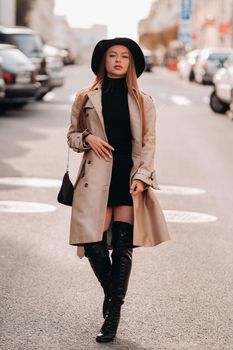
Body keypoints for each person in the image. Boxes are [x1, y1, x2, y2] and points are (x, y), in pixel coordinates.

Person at [67, 37, 171, 343]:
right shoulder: (85, 97)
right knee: (94, 243)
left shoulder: (143, 100)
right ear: (103, 60)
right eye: (112, 55)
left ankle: (113, 315)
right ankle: (112, 294)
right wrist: (88, 139)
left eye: (123, 56)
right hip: (96, 180)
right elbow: (71, 136)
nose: (117, 60)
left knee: (124, 246)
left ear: (130, 64)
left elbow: (149, 143)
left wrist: (143, 175)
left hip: (127, 177)